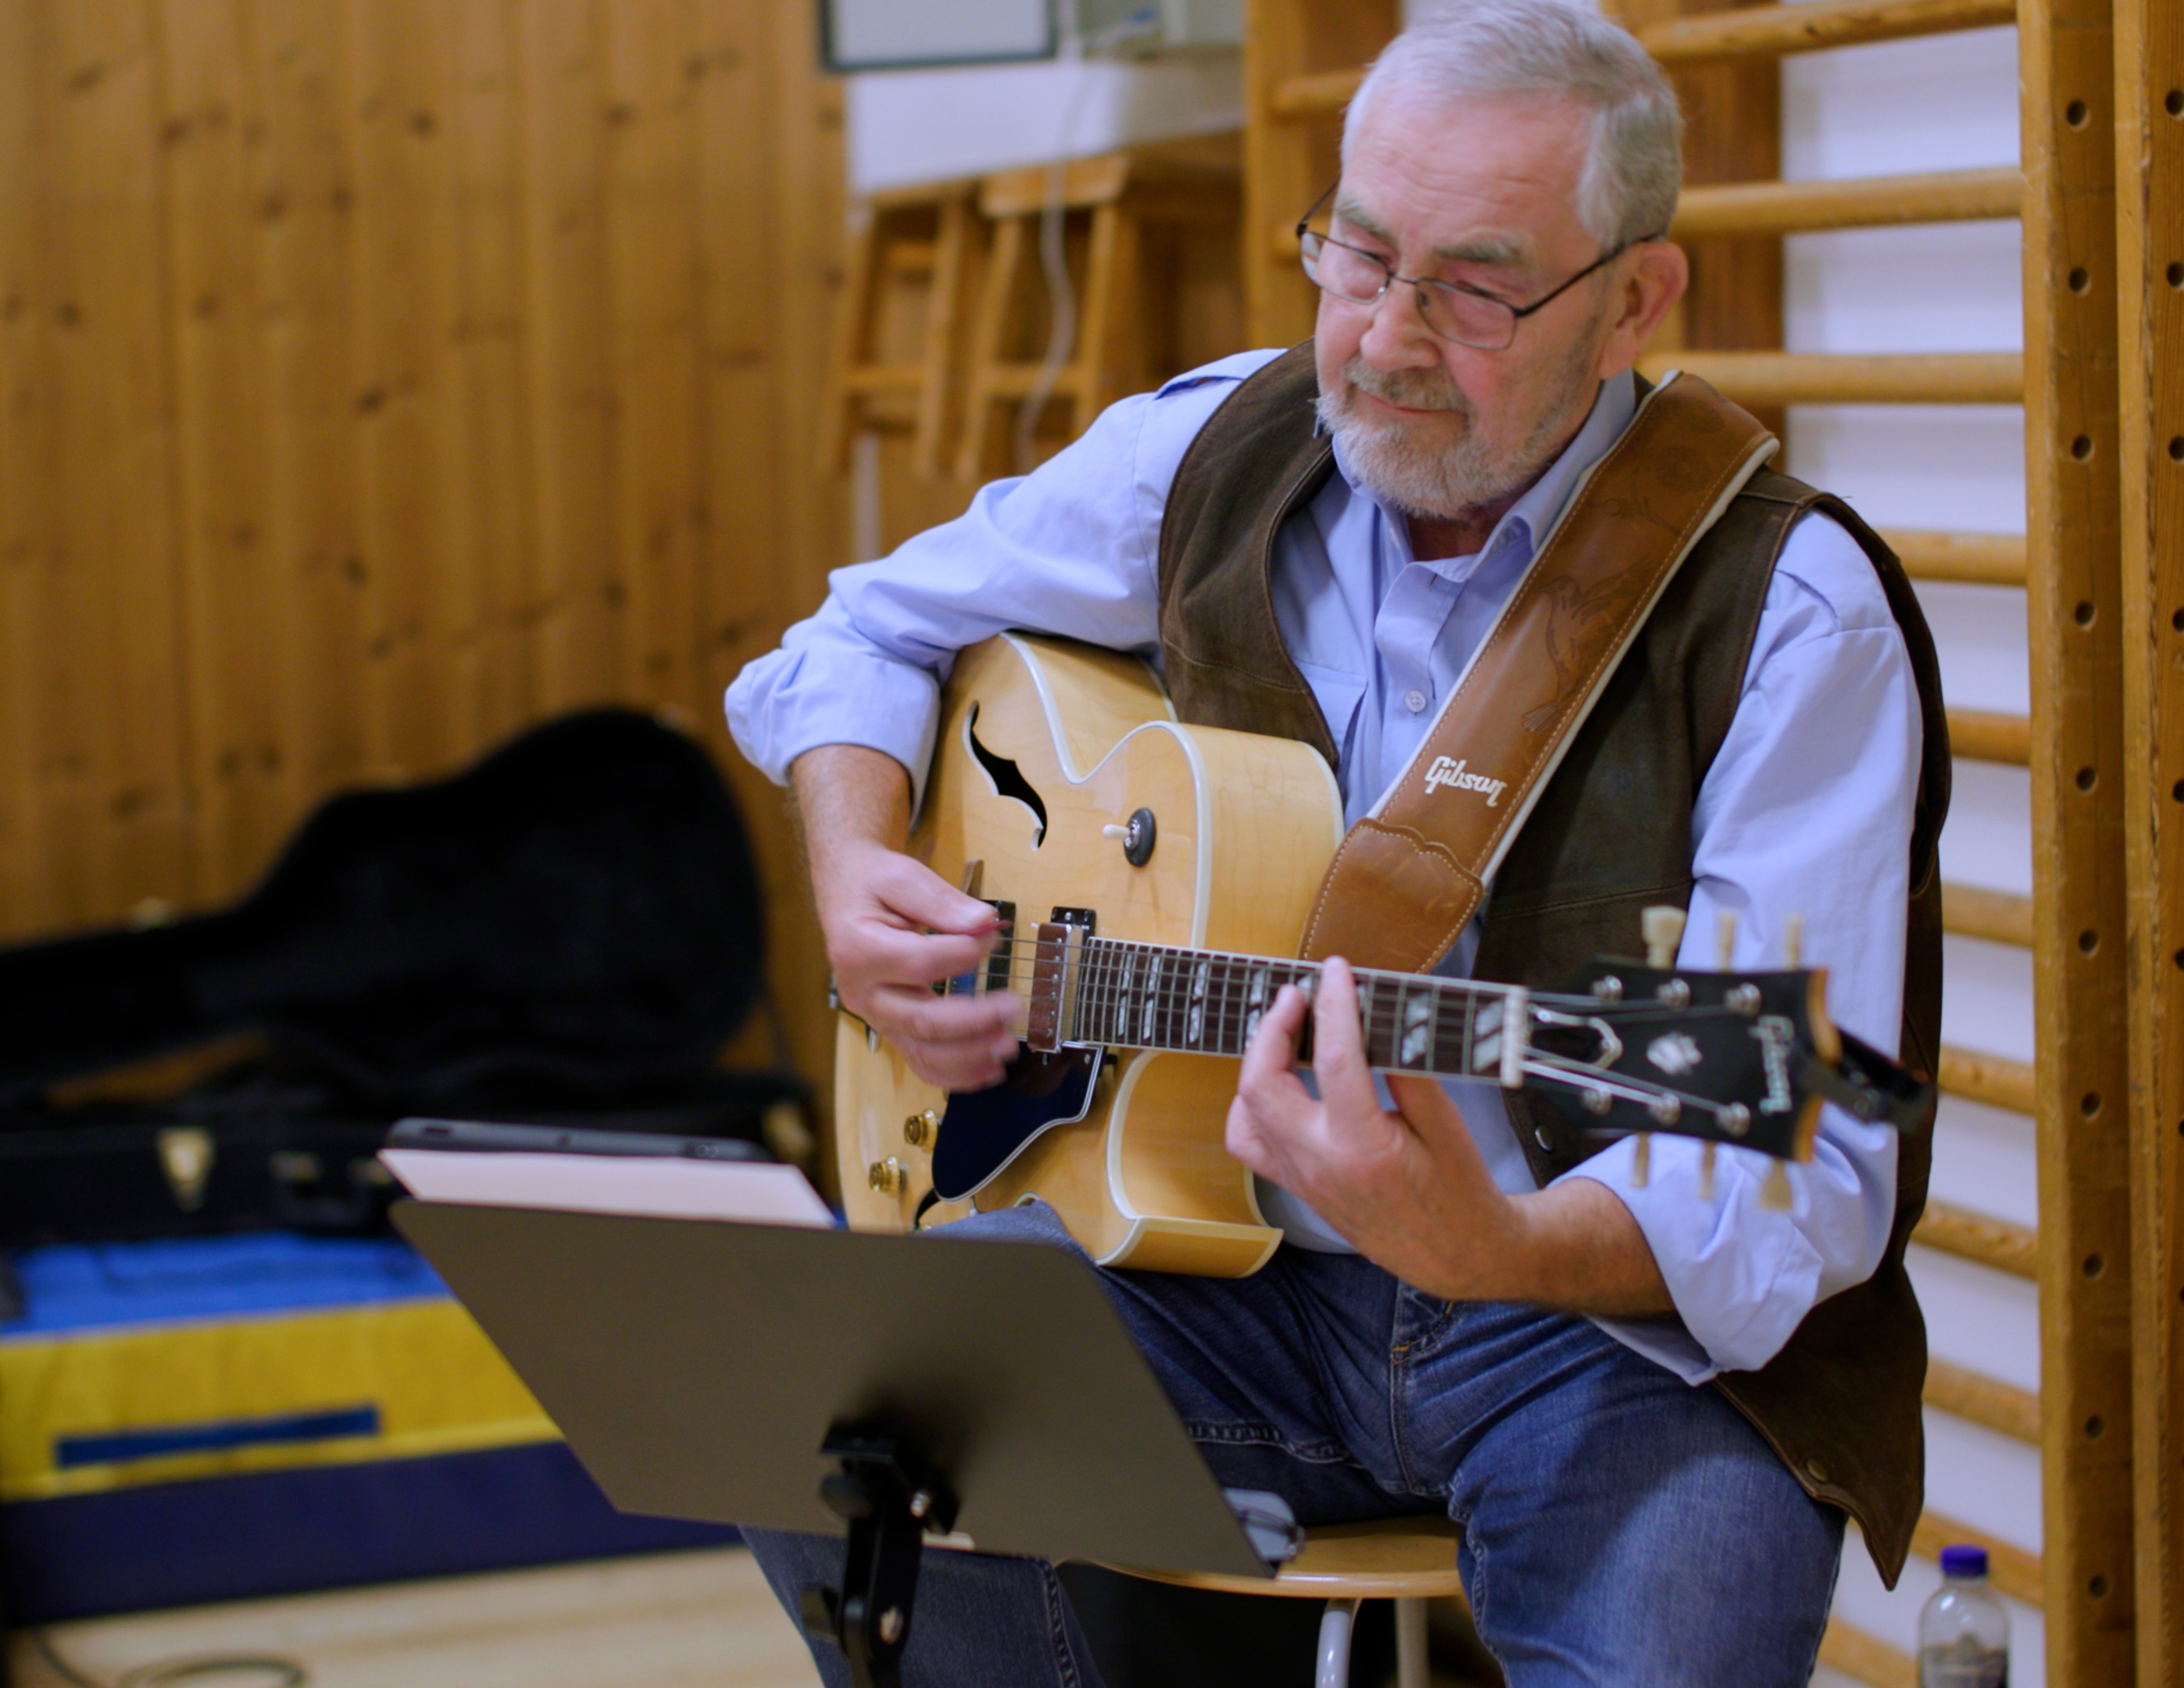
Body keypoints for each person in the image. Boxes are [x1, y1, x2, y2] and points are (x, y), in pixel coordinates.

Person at [723, 3, 1950, 1682]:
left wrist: (1499, 1247)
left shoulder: (1792, 614)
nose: (1381, 336)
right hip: (1225, 1283)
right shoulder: (1222, 445)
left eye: (1473, 287)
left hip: (1610, 1342)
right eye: (1357, 255)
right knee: (827, 1402)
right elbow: (851, 640)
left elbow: (1801, 1154)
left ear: (1632, 303)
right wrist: (861, 865)